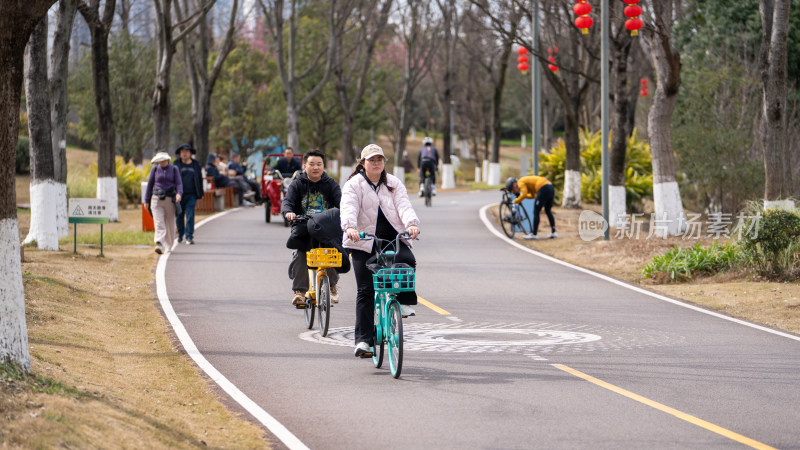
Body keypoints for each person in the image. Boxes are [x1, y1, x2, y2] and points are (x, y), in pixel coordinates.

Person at [341, 144, 421, 358]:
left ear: (384, 162)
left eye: (379, 159)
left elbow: (404, 206)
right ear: (363, 163)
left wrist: (411, 224)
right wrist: (350, 227)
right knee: (365, 290)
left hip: (391, 237)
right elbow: (348, 207)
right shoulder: (353, 184)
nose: (376, 163)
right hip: (362, 239)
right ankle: (364, 341)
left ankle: (403, 302)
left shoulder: (393, 183)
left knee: (408, 261)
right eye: (371, 159)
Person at [282, 149, 343, 307]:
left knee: (333, 253)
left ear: (324, 166)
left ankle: (332, 285)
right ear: (304, 165)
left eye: (319, 164)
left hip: (326, 228)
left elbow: (341, 203)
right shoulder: (297, 184)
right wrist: (289, 212)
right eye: (311, 164)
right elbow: (288, 201)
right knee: (301, 255)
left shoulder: (331, 184)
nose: (315, 167)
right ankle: (300, 292)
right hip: (303, 227)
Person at [145, 152, 183, 254]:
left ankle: (168, 246)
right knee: (159, 223)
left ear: (167, 160)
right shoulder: (155, 169)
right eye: (160, 161)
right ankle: (159, 243)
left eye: (163, 160)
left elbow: (179, 183)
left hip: (170, 200)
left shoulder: (174, 169)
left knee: (170, 224)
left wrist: (179, 194)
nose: (161, 162)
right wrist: (146, 200)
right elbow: (149, 185)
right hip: (156, 199)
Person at [506, 176, 557, 240]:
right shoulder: (527, 185)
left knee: (536, 211)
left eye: (513, 190)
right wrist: (521, 197)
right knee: (548, 210)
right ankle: (553, 232)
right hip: (550, 187)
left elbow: (524, 194)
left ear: (514, 184)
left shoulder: (520, 182)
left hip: (543, 188)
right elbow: (533, 196)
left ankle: (534, 234)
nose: (514, 192)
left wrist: (515, 201)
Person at [173, 144, 203, 245]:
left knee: (190, 215)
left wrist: (200, 193)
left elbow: (199, 179)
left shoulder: (196, 164)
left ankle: (189, 236)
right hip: (179, 195)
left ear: (190, 153)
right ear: (180, 153)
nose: (184, 153)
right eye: (182, 152)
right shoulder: (176, 164)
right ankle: (180, 234)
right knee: (179, 216)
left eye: (186, 151)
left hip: (191, 195)